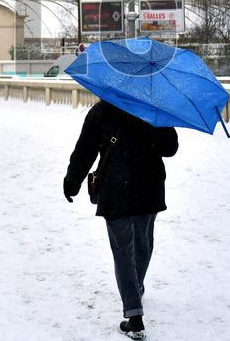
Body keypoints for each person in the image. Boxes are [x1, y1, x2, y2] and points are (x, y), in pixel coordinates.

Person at [63, 100, 179, 340]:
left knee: (123, 250)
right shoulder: (154, 106)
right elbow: (170, 148)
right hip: (148, 187)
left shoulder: (102, 109)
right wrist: (158, 124)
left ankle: (134, 314)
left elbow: (86, 149)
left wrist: (72, 180)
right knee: (143, 245)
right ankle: (135, 290)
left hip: (116, 188)